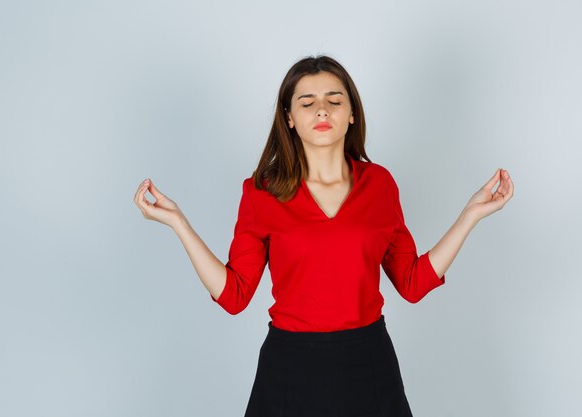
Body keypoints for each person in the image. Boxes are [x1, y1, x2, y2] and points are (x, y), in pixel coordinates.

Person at [133, 55, 514, 416]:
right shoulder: (261, 191)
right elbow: (234, 295)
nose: (322, 110)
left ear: (351, 115)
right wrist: (179, 224)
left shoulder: (379, 184)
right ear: (289, 118)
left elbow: (412, 283)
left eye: (334, 100)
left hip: (369, 364)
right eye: (308, 101)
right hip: (289, 369)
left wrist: (471, 214)